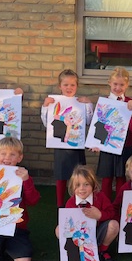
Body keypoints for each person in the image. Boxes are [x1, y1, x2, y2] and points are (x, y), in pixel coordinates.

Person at [41, 69, 93, 207]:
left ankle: (78, 203)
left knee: (79, 176)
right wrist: (45, 107)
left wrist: (88, 104)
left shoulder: (81, 102)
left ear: (77, 86)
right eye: (65, 85)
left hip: (76, 146)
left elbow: (88, 121)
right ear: (60, 86)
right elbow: (47, 123)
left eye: (72, 85)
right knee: (61, 176)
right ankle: (60, 205)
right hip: (60, 146)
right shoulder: (53, 103)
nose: (69, 88)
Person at [56, 165, 120, 261]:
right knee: (59, 229)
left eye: (86, 184)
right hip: (80, 237)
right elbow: (68, 224)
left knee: (114, 225)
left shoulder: (100, 197)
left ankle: (101, 251)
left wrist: (100, 215)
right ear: (72, 187)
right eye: (78, 185)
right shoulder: (71, 203)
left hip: (99, 232)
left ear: (93, 185)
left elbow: (112, 213)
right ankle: (77, 253)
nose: (82, 188)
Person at [94, 67, 132, 200]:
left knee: (122, 177)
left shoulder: (130, 103)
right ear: (109, 83)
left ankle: (121, 204)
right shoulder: (103, 102)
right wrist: (96, 143)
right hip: (107, 147)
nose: (118, 87)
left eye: (121, 85)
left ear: (127, 85)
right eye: (115, 84)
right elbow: (98, 125)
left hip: (125, 146)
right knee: (107, 178)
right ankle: (106, 205)